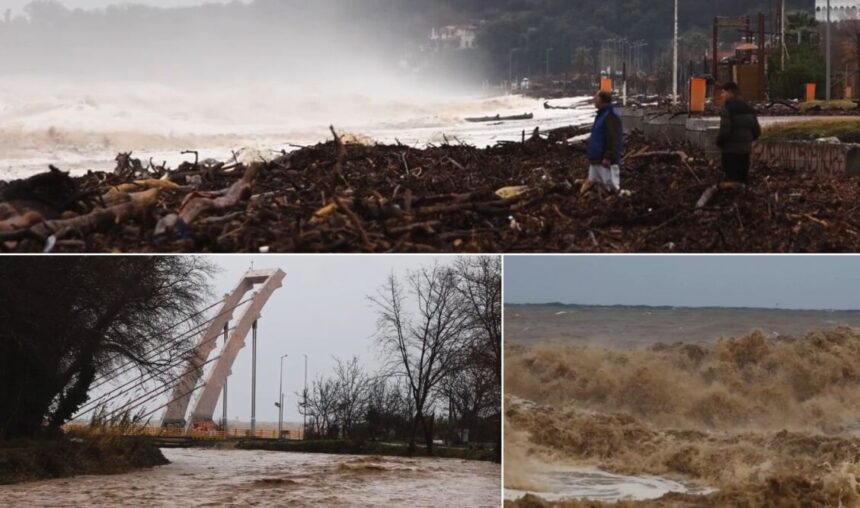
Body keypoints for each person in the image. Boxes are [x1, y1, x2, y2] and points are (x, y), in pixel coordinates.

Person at [716, 82, 761, 186]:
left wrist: (719, 142)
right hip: (745, 152)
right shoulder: (749, 109)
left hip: (730, 153)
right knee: (742, 181)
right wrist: (746, 141)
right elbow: (757, 131)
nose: (721, 95)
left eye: (723, 92)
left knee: (731, 181)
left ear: (729, 93)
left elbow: (724, 132)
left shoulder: (727, 110)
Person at [584, 90, 624, 194]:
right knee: (593, 188)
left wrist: (608, 156)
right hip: (596, 160)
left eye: (596, 98)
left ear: (603, 100)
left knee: (611, 189)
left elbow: (613, 138)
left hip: (605, 161)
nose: (594, 100)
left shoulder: (610, 116)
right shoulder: (601, 115)